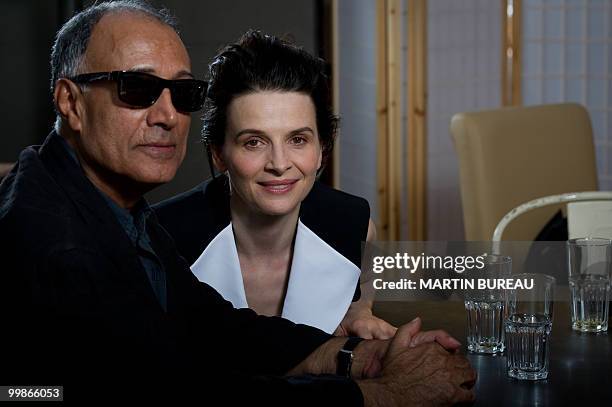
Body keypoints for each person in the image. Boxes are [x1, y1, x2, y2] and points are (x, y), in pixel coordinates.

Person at [0, 1, 476, 405]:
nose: (167, 116)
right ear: (70, 102)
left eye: (182, 94)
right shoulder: (60, 249)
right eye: (137, 89)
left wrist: (359, 356)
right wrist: (387, 394)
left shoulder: (104, 201)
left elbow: (213, 325)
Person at [154, 30, 395, 339]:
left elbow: (368, 277)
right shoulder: (162, 239)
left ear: (322, 148)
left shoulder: (353, 223)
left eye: (298, 139)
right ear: (219, 154)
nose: (279, 164)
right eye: (254, 142)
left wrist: (358, 311)